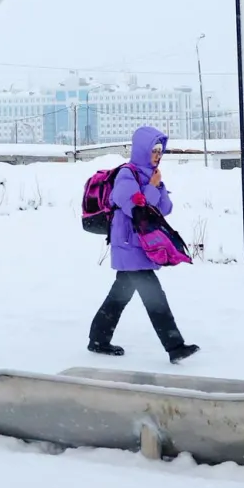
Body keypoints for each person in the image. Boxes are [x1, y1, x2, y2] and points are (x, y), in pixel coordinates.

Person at [88, 124, 200, 363]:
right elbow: (136, 208)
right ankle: (175, 346)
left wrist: (157, 185)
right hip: (129, 244)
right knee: (154, 296)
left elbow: (165, 208)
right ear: (142, 150)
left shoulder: (151, 175)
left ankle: (98, 339)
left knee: (118, 297)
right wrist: (151, 188)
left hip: (140, 246)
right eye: (154, 150)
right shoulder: (127, 174)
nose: (158, 155)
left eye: (160, 151)